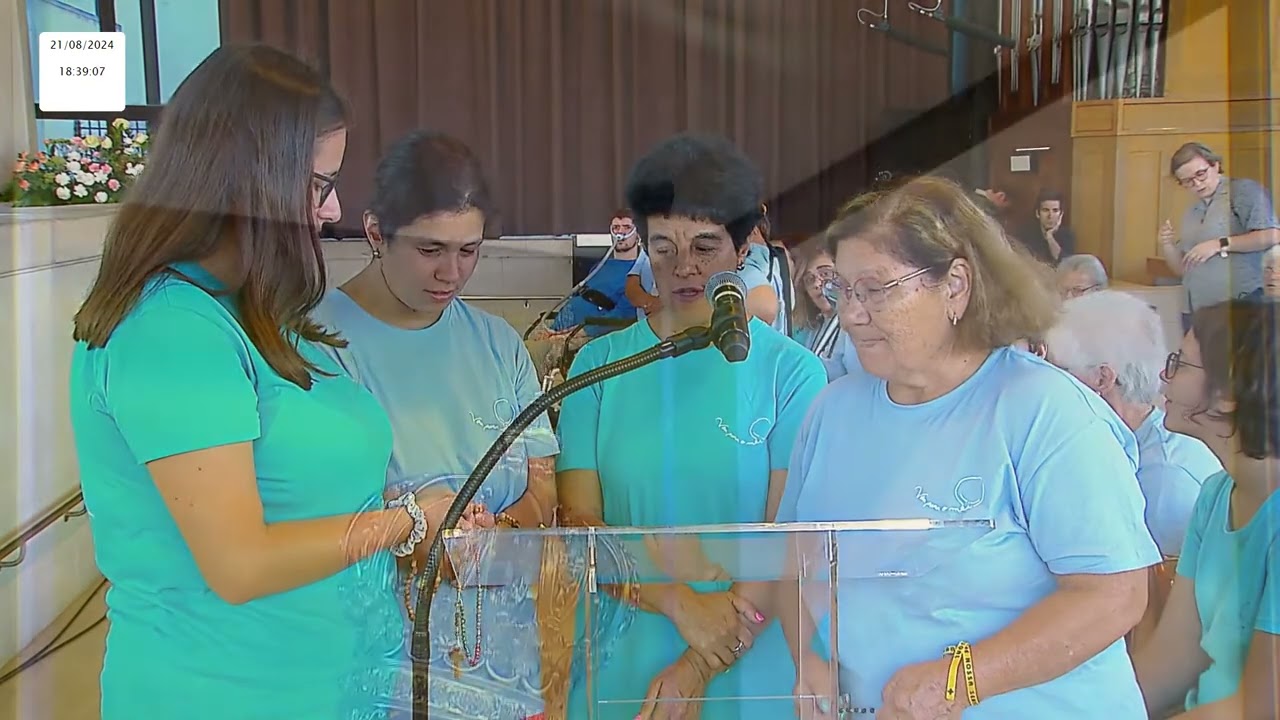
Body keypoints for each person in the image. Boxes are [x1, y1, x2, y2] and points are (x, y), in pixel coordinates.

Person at [66, 45, 460, 720]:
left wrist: (401, 500)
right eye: (316, 184)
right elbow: (240, 563)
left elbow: (302, 487)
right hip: (226, 695)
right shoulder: (172, 330)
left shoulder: (257, 309)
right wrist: (407, 523)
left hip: (333, 688)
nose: (330, 210)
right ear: (247, 179)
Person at [778, 176, 1160, 719]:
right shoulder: (830, 411)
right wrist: (809, 660)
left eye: (876, 288)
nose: (851, 313)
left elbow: (1114, 596)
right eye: (841, 288)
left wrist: (957, 681)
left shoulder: (1046, 411)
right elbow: (794, 564)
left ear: (955, 284)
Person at [311, 131, 590, 718]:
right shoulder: (318, 344)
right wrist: (418, 531)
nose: (452, 273)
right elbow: (315, 515)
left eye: (469, 251)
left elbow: (542, 485)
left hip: (503, 664)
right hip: (381, 665)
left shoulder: (497, 344)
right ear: (372, 232)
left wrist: (503, 530)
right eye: (430, 249)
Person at [556, 133, 827, 719]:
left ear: (742, 244)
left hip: (750, 652)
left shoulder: (792, 373)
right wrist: (678, 604)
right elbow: (579, 525)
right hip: (625, 645)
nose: (684, 269)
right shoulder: (597, 366)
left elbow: (786, 537)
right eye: (663, 247)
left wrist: (702, 661)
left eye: (705, 247)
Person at [1132, 299, 1280, 718]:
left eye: (1179, 363)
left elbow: (1261, 709)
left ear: (1230, 392)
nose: (1164, 378)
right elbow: (1171, 660)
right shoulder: (1216, 495)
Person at [1044, 290, 1222, 555]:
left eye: (1056, 368)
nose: (1044, 380)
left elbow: (1155, 588)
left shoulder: (1165, 481)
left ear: (1103, 379)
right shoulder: (1107, 439)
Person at [1158, 142, 1279, 319]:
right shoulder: (1192, 211)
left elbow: (1272, 235)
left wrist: (1219, 244)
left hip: (1238, 307)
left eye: (1201, 174)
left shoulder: (1243, 191)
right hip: (1197, 308)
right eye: (1187, 181)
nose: (1197, 183)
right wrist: (1167, 244)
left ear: (1215, 165)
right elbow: (1183, 269)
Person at [555, 209, 643, 335]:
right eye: (616, 227)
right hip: (564, 319)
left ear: (638, 234)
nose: (621, 232)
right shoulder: (600, 265)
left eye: (627, 227)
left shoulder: (638, 272)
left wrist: (584, 332)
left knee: (537, 350)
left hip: (582, 333)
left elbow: (622, 315)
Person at [790, 236, 839, 354]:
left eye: (825, 273)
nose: (817, 284)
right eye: (809, 279)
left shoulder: (857, 326)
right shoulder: (811, 330)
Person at [1015, 189, 1076, 265]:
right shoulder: (1025, 234)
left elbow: (1064, 262)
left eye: (1055, 210)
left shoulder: (1067, 235)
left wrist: (1049, 237)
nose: (1050, 216)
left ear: (1061, 214)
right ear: (1038, 213)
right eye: (1045, 210)